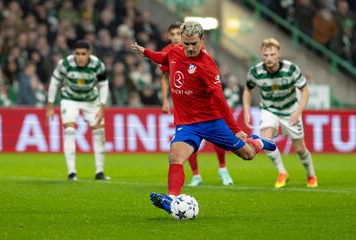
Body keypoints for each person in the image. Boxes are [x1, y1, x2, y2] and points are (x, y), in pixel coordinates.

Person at [132, 21, 276, 215]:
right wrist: (146, 52)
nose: (190, 48)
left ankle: (257, 142)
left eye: (193, 43)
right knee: (175, 155)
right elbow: (164, 58)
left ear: (201, 39)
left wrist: (235, 129)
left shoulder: (207, 65)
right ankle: (172, 199)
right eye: (186, 43)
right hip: (187, 123)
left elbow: (220, 99)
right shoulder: (175, 52)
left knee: (248, 155)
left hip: (212, 121)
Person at [159, 22, 233, 187]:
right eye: (173, 35)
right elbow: (164, 77)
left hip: (203, 101)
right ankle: (196, 175)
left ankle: (223, 168)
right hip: (185, 103)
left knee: (217, 138)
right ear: (169, 37)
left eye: (178, 34)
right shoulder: (168, 52)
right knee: (187, 140)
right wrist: (165, 99)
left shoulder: (199, 53)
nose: (176, 37)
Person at [242, 38, 318, 188]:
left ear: (279, 54)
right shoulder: (255, 72)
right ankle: (282, 172)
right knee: (266, 141)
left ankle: (311, 175)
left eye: (272, 54)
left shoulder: (291, 69)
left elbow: (305, 91)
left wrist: (297, 111)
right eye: (265, 55)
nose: (269, 58)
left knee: (299, 148)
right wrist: (246, 110)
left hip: (290, 110)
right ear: (261, 55)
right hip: (269, 109)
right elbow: (247, 90)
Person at [46, 40, 110, 181]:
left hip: (91, 100)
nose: (80, 57)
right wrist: (50, 105)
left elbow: (104, 85)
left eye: (83, 54)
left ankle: (99, 172)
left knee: (99, 132)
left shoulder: (97, 65)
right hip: (70, 99)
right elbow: (55, 81)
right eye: (77, 54)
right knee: (69, 131)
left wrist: (102, 106)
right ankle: (71, 172)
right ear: (73, 53)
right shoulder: (65, 64)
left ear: (89, 54)